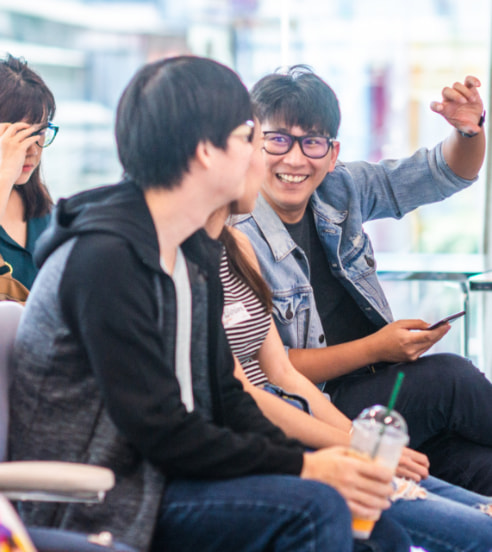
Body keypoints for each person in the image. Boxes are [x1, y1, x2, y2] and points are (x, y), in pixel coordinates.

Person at [8, 56, 410, 552]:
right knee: (317, 507)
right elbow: (160, 430)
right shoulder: (105, 259)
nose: (262, 159)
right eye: (248, 139)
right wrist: (305, 466)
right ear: (205, 152)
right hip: (108, 500)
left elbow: (226, 396)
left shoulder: (192, 252)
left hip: (170, 478)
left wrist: (322, 459)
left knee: (378, 527)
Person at [206, 119, 492, 552]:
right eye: (274, 142)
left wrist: (470, 130)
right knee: (451, 378)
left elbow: (442, 172)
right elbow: (248, 392)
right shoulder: (223, 246)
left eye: (311, 143)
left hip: (327, 406)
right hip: (304, 415)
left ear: (332, 152)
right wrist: (374, 354)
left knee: (477, 465)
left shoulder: (323, 197)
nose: (292, 159)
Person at [0, 54, 57, 290]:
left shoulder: (43, 209)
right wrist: (4, 175)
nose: (32, 150)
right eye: (18, 136)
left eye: (40, 133)